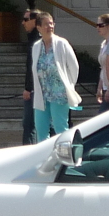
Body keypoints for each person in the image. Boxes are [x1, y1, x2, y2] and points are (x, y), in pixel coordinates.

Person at [29, 10, 82, 141]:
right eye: (46, 24)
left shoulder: (61, 43)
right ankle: (44, 159)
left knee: (61, 130)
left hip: (59, 94)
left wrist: (69, 86)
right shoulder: (36, 47)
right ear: (39, 27)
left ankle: (65, 159)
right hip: (42, 95)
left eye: (51, 24)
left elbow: (74, 66)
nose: (50, 27)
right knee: (41, 132)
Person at [19, 9, 40, 143]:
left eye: (26, 20)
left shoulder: (37, 41)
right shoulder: (32, 39)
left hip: (36, 90)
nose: (23, 23)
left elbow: (35, 67)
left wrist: (29, 88)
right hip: (34, 88)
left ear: (34, 21)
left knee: (29, 124)